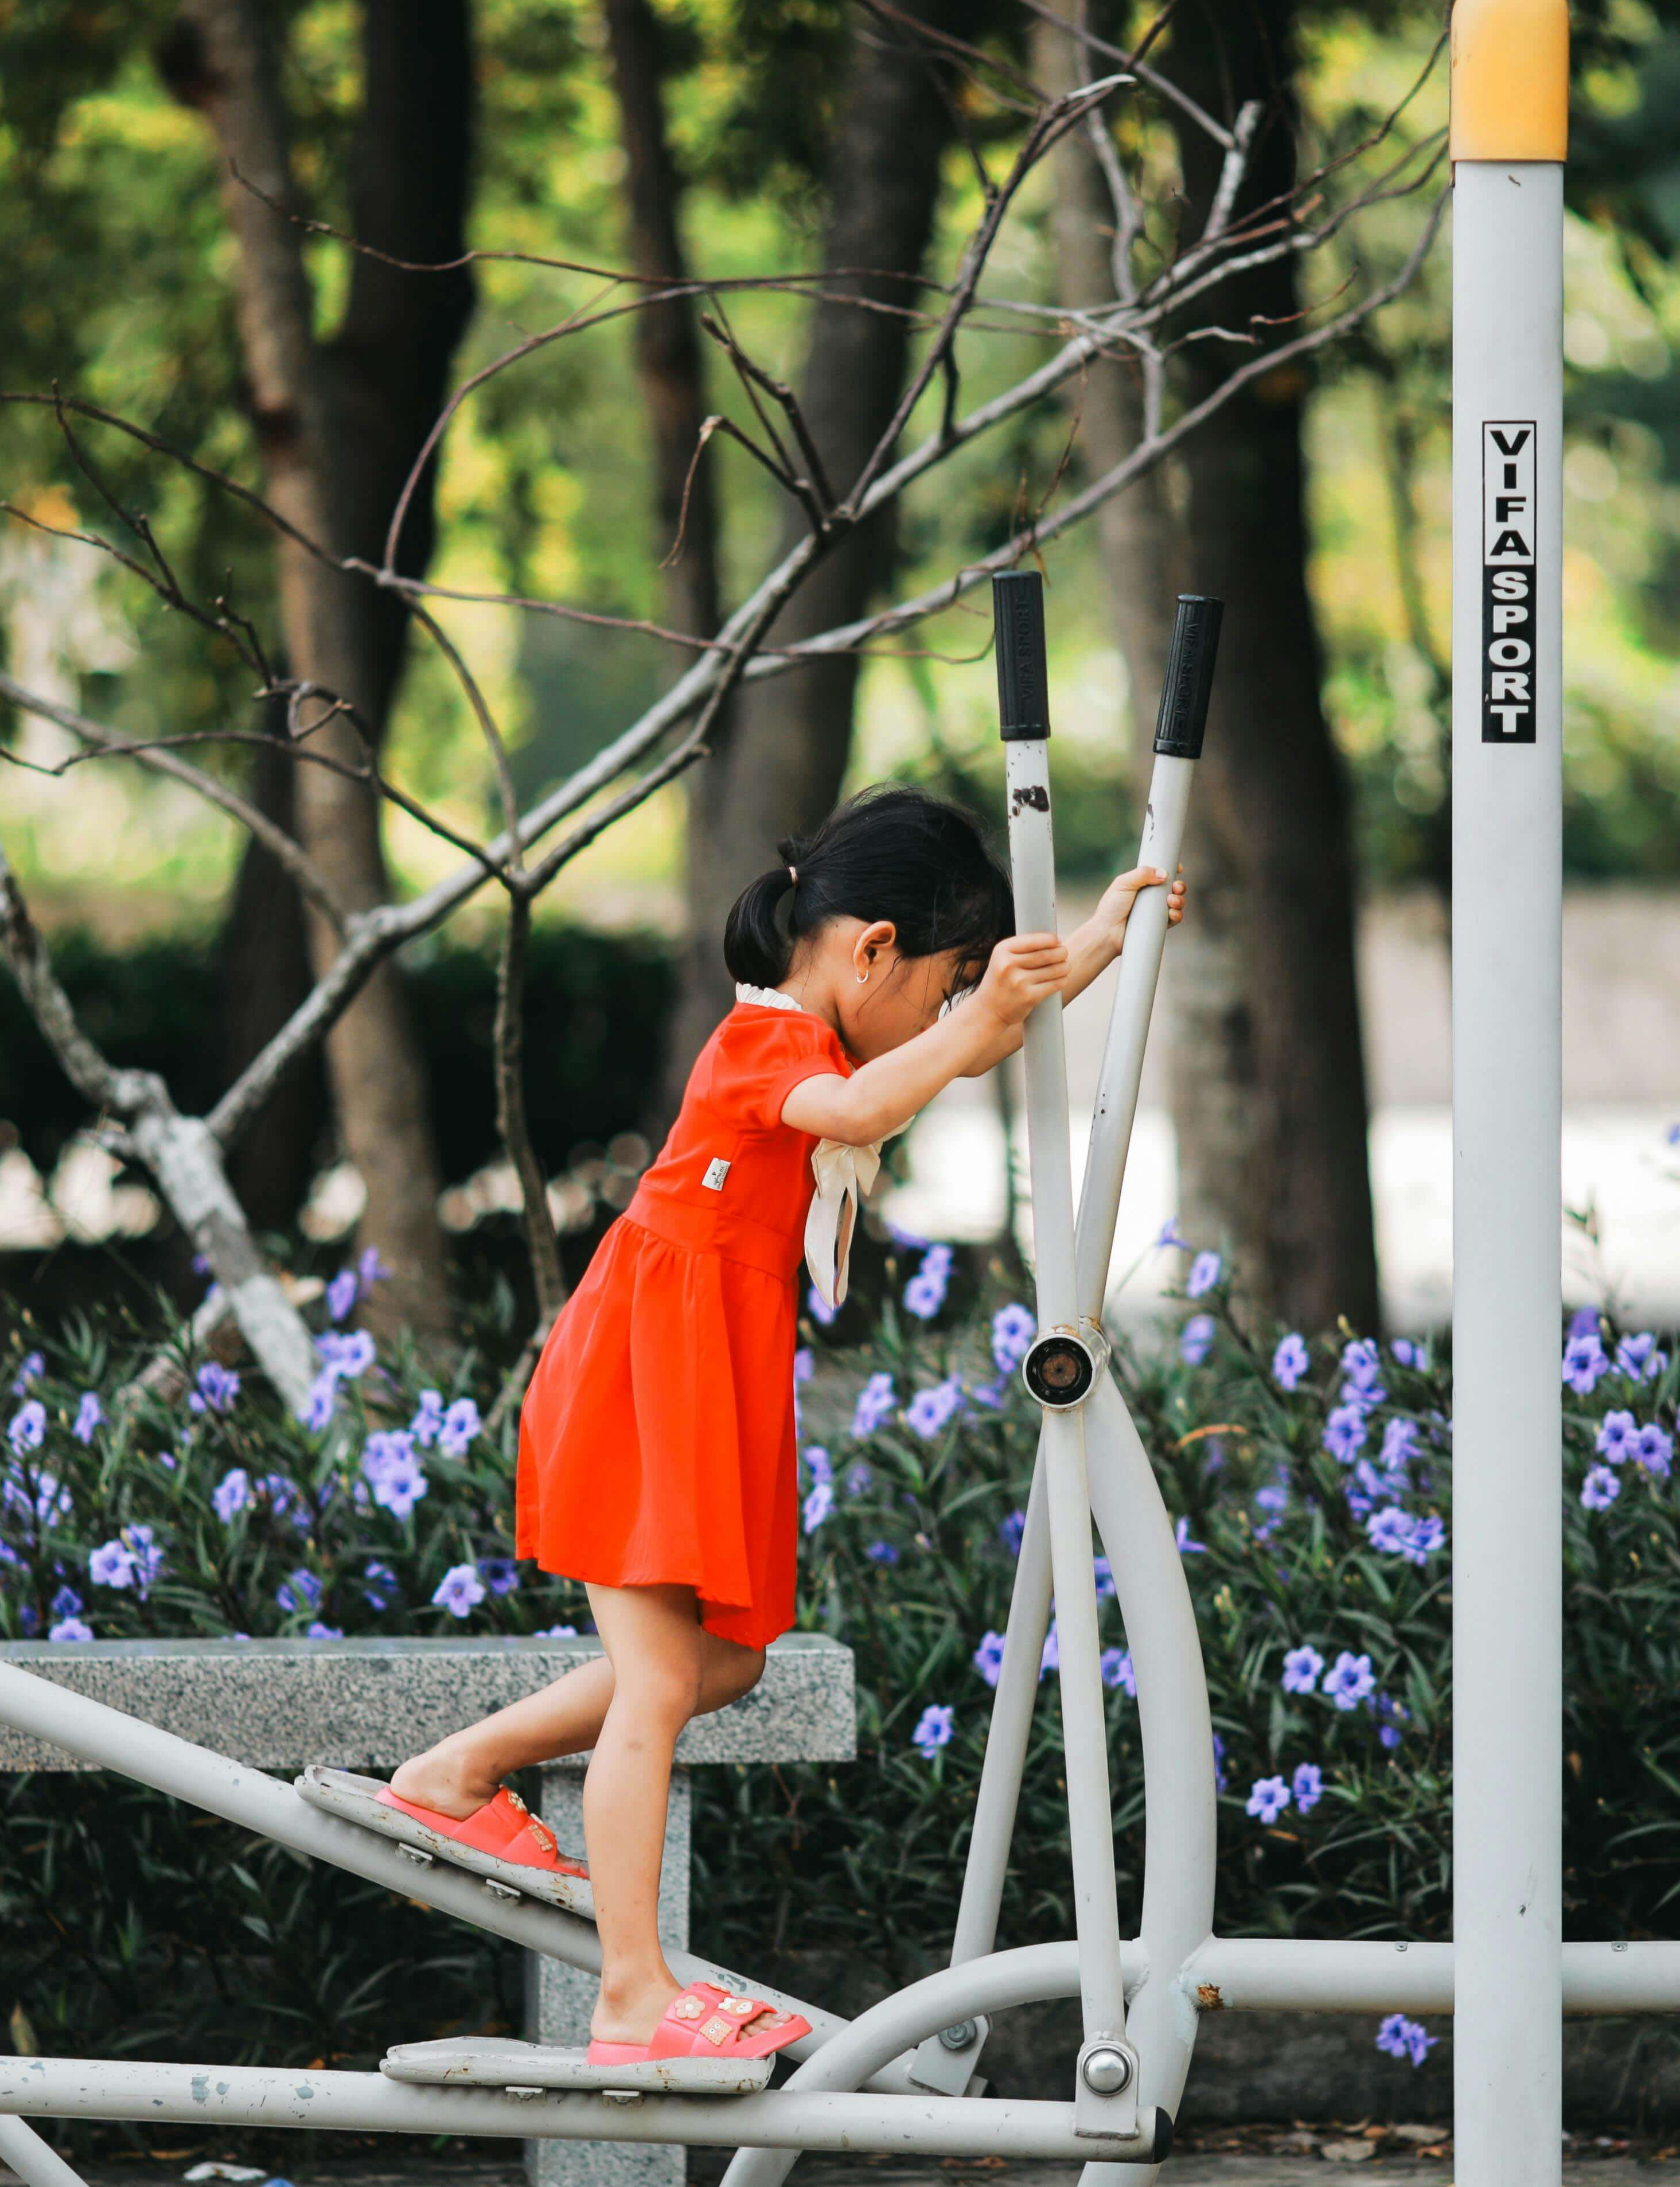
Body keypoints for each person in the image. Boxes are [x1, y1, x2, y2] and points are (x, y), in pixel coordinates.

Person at [374, 788, 1181, 2067]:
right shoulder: (768, 1046)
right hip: (647, 1374)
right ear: (871, 949)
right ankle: (632, 1994)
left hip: (704, 1374)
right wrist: (992, 1010)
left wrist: (1090, 946)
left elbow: (951, 1054)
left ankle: (456, 1769)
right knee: (655, 1684)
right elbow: (875, 1106)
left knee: (725, 1665)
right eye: (940, 981)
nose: (941, 1012)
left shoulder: (836, 1042)